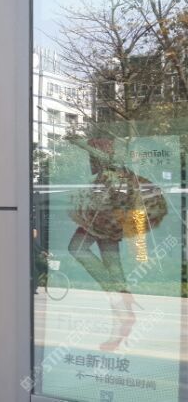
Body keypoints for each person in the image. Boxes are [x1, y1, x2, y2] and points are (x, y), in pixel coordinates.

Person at [67, 138, 168, 352]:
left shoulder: (113, 169)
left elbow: (106, 163)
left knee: (77, 247)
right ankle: (123, 311)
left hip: (104, 219)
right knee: (112, 264)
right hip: (108, 219)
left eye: (93, 156)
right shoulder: (113, 172)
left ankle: (118, 298)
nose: (91, 160)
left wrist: (79, 143)